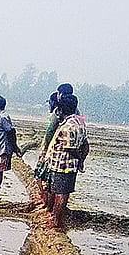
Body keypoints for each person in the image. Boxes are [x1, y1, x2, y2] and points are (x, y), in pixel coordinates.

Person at [36, 93, 88, 230]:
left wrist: (79, 159)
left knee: (61, 195)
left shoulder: (68, 127)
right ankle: (54, 218)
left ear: (60, 110)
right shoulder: (80, 122)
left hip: (63, 165)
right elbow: (86, 145)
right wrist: (81, 160)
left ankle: (56, 223)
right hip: (65, 165)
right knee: (60, 193)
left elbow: (70, 148)